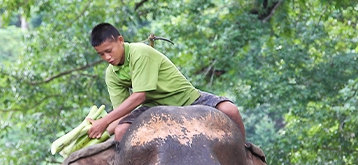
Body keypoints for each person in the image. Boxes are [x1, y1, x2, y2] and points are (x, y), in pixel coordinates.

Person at [87, 22, 246, 142]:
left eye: (109, 51)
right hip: (154, 109)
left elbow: (139, 96)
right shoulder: (111, 73)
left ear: (120, 40)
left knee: (230, 110)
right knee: (122, 130)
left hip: (187, 100)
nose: (107, 57)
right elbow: (123, 112)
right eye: (101, 54)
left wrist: (104, 121)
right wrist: (101, 129)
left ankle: (245, 156)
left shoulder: (140, 53)